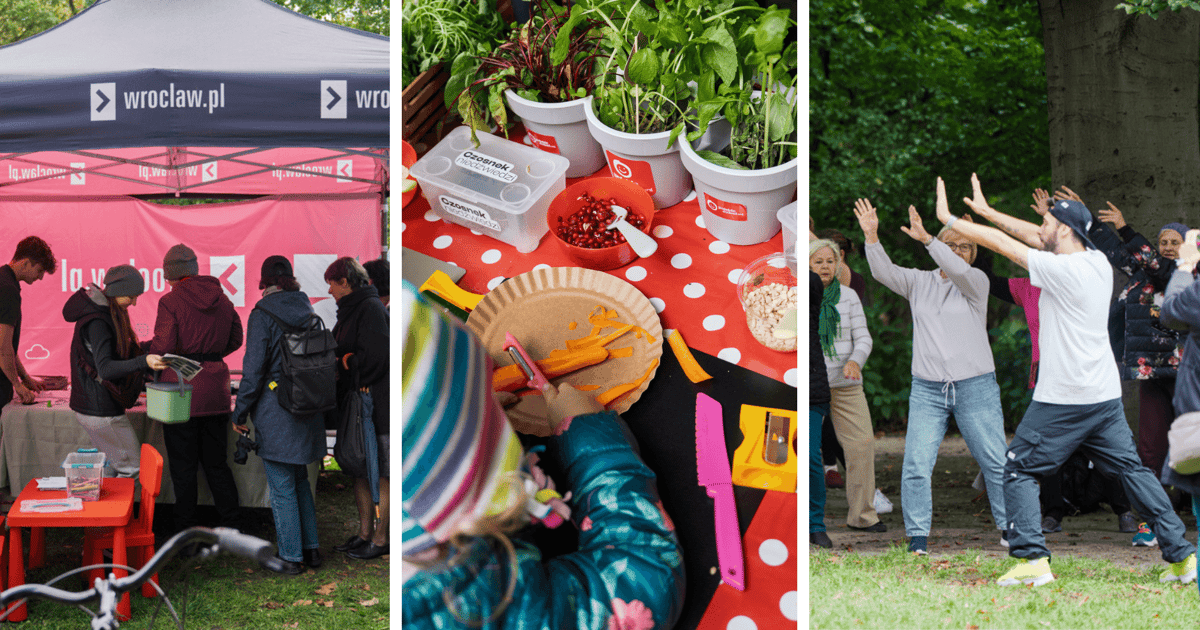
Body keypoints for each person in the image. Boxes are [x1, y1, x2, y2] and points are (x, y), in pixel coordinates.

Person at [944, 173, 1195, 586]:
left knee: (1018, 469)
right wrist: (987, 211)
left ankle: (1032, 559)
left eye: (1047, 223)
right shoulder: (1095, 260)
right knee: (1132, 471)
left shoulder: (1063, 270)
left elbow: (1007, 246)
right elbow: (1030, 236)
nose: (1039, 228)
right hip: (1102, 394)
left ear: (1063, 230)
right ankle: (1183, 557)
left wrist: (952, 222)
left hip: (1065, 396)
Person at [401, 282, 684, 627]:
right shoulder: (476, 600)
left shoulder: (424, 536)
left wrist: (474, 411)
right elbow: (643, 578)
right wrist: (594, 441)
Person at [976, 188, 1139, 537]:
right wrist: (973, 246)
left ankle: (1124, 510)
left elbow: (1061, 240)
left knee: (1106, 452)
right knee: (1047, 453)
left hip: (1087, 380)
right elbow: (992, 278)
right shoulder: (1028, 285)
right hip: (1049, 377)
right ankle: (1052, 512)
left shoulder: (1077, 271)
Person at [855, 197, 1008, 555]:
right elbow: (883, 272)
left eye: (965, 246)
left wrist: (929, 239)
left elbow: (957, 269)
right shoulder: (918, 282)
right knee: (916, 465)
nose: (957, 251)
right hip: (927, 390)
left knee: (996, 462)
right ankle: (918, 537)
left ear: (973, 254)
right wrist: (872, 236)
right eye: (950, 244)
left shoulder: (976, 282)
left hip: (975, 387)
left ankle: (1010, 529)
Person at [232, 256, 326, 574]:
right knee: (300, 481)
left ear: (264, 282)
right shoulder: (307, 309)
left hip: (277, 409)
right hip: (308, 406)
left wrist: (240, 412)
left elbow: (253, 372)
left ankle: (290, 557)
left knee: (282, 486)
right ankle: (311, 550)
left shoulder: (263, 314)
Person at [147, 243, 244, 532]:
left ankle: (186, 530)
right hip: (216, 390)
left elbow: (163, 346)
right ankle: (232, 525)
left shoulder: (170, 301)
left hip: (180, 392)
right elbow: (236, 339)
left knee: (183, 467)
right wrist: (210, 356)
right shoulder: (223, 299)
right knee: (217, 464)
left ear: (171, 275)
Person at [63, 265, 167, 477]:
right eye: (132, 296)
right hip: (101, 409)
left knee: (112, 469)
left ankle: (109, 499)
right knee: (135, 470)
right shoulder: (98, 321)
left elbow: (116, 354)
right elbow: (107, 369)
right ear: (118, 291)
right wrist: (143, 360)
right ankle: (126, 501)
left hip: (94, 407)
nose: (134, 302)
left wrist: (152, 347)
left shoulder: (102, 313)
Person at [811, 238, 883, 532]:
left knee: (862, 444)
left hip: (846, 383)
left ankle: (862, 516)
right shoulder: (800, 294)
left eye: (830, 261)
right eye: (818, 262)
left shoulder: (849, 296)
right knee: (805, 449)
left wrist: (855, 360)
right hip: (811, 386)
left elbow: (864, 338)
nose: (825, 267)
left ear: (838, 264)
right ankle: (807, 520)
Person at [326, 257, 390, 560]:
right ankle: (364, 534)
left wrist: (348, 362)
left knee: (382, 472)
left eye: (332, 284)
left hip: (377, 407)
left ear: (345, 282)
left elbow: (377, 357)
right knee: (359, 470)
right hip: (357, 403)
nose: (329, 291)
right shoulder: (353, 310)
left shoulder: (370, 308)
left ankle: (381, 538)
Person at [0, 236, 56, 405]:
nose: (41, 277)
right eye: (39, 270)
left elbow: (7, 344)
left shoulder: (4, 280)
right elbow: (3, 347)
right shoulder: (7, 289)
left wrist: (24, 377)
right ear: (25, 263)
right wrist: (17, 385)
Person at [810, 269, 832, 548]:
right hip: (782, 387)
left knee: (810, 456)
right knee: (778, 452)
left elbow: (812, 280)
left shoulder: (811, 287)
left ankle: (815, 524)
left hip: (812, 393)